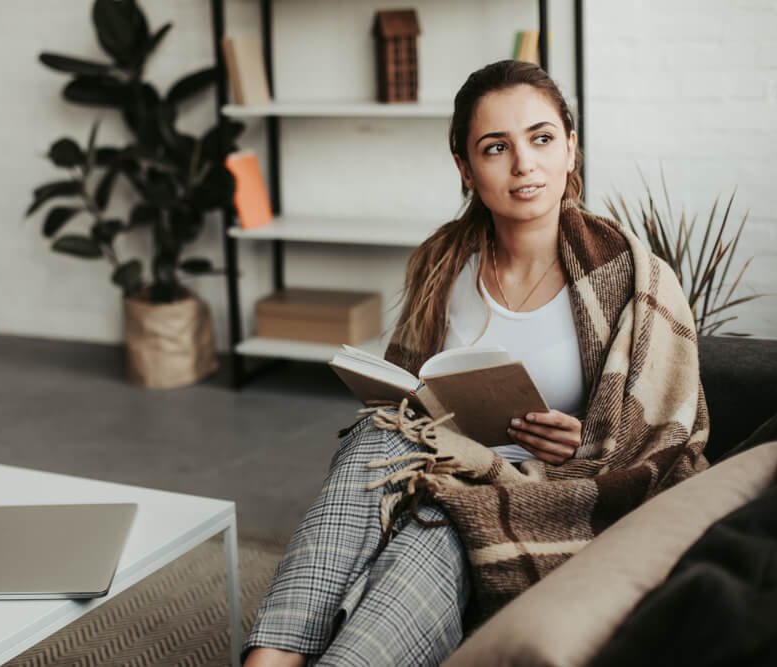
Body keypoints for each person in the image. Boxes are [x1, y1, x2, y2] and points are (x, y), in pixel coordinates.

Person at [243, 59, 708, 667]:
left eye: (541, 139)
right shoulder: (443, 262)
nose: (524, 164)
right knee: (381, 437)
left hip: (539, 492)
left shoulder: (631, 276)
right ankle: (270, 659)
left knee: (427, 520)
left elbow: (664, 437)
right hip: (439, 475)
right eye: (496, 147)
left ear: (571, 149)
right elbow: (404, 397)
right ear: (466, 168)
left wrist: (584, 444)